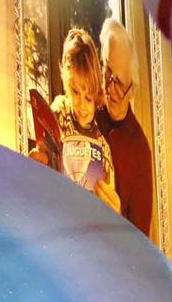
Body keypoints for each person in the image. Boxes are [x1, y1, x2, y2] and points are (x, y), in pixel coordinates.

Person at [50, 27, 120, 212]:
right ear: (66, 84)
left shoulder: (103, 147)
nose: (82, 106)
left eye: (88, 98)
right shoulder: (58, 112)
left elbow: (108, 201)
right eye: (75, 91)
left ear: (97, 96)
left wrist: (111, 211)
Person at [96, 18, 154, 237]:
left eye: (118, 82)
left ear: (131, 90)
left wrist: (116, 216)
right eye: (106, 71)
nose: (110, 88)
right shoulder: (88, 110)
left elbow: (141, 245)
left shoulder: (140, 150)